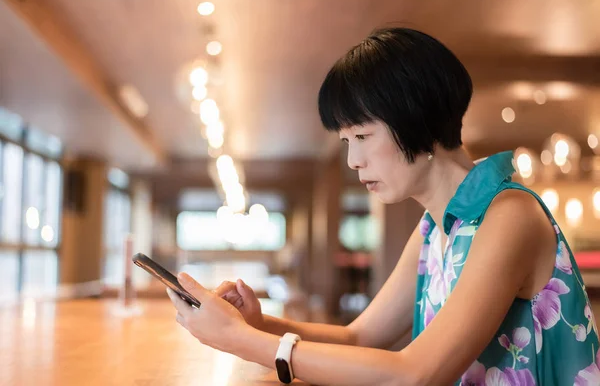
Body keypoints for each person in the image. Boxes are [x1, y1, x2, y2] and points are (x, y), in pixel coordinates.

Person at [167, 27, 600, 385]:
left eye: (362, 136)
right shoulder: (437, 227)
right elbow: (360, 337)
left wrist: (239, 341)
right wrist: (258, 325)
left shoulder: (509, 216)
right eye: (345, 142)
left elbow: (415, 374)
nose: (354, 160)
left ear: (418, 118)